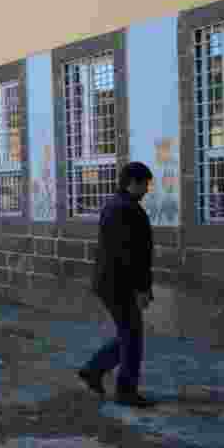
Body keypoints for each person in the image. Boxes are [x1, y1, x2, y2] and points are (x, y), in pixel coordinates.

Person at [79, 161, 156, 408]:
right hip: (118, 284)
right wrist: (142, 289)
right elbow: (130, 255)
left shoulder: (117, 205)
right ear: (133, 183)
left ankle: (94, 370)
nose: (147, 189)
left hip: (111, 282)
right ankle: (125, 390)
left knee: (129, 334)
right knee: (132, 337)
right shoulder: (124, 208)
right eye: (145, 184)